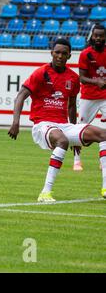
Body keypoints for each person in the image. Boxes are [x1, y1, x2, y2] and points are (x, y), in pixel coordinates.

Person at [8, 38, 106, 202]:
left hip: (64, 125)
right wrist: (15, 122)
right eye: (57, 52)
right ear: (51, 53)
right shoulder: (41, 73)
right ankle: (45, 193)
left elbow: (72, 106)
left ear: (69, 56)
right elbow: (20, 96)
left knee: (103, 134)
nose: (60, 56)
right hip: (42, 125)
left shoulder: (73, 78)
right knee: (62, 140)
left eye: (64, 53)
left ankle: (105, 187)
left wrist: (76, 134)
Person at [73, 24, 106, 171]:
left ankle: (103, 160)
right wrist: (97, 82)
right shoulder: (85, 54)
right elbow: (82, 78)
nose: (98, 38)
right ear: (92, 36)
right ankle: (77, 160)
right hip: (88, 97)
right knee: (80, 129)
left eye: (101, 35)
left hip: (105, 97)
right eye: (96, 35)